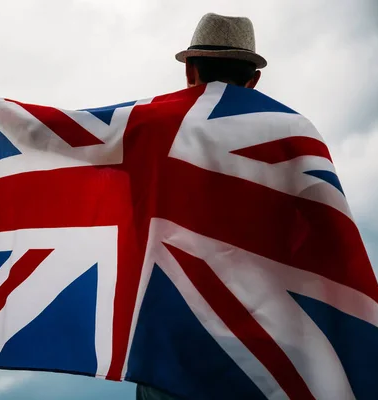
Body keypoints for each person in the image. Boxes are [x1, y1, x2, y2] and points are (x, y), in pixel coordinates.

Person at [136, 12, 267, 400]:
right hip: (259, 351)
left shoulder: (149, 133)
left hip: (170, 350)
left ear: (190, 71)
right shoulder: (292, 142)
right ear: (254, 79)